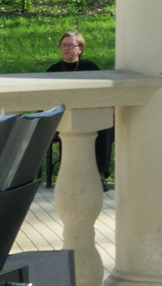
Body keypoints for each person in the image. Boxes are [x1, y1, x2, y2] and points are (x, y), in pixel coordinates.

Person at [46, 29, 116, 182]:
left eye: (71, 45)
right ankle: (69, 174)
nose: (66, 48)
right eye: (64, 45)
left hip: (88, 113)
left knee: (104, 127)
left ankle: (100, 175)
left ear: (80, 49)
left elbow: (100, 93)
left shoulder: (91, 68)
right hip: (63, 114)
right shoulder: (53, 70)